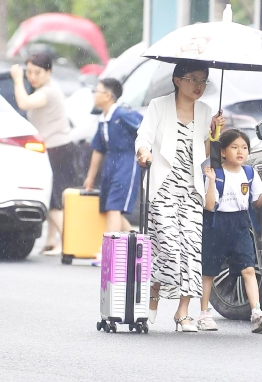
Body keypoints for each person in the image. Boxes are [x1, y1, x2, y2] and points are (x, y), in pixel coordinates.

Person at [135, 60, 225, 332]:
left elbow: (209, 153)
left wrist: (215, 132)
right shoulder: (158, 106)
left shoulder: (206, 110)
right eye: (193, 79)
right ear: (177, 80)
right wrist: (144, 153)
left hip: (191, 189)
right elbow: (143, 136)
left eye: (203, 81)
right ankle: (153, 294)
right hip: (162, 186)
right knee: (169, 247)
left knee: (190, 250)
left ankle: (182, 312)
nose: (198, 86)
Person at [199, 129, 262, 333]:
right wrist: (211, 181)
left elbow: (257, 203)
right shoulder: (216, 172)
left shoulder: (249, 173)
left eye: (244, 147)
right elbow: (208, 206)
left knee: (248, 268)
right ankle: (204, 313)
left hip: (241, 223)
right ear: (222, 152)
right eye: (234, 147)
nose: (240, 151)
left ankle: (256, 313)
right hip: (217, 223)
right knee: (209, 271)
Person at [10, 54, 77, 256]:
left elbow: (23, 103)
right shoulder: (46, 88)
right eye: (29, 72)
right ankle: (52, 241)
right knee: (52, 195)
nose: (32, 76)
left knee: (53, 198)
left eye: (37, 72)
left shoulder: (48, 91)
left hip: (57, 150)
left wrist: (16, 79)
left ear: (48, 72)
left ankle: (69, 244)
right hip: (56, 148)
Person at [83, 78, 142, 266]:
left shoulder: (123, 114)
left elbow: (145, 130)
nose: (94, 95)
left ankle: (110, 254)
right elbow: (98, 149)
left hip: (127, 162)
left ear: (108, 96)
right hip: (110, 164)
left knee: (114, 207)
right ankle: (139, 245)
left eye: (97, 91)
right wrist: (90, 177)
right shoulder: (103, 119)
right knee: (110, 208)